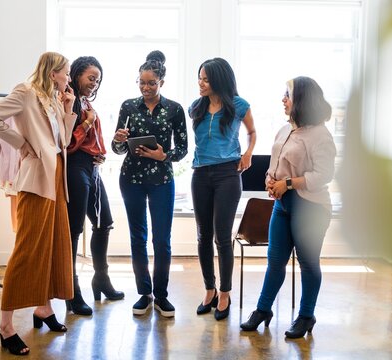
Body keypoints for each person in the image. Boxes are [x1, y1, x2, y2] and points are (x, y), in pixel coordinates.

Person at [0, 52, 76, 355]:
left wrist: (68, 108)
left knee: (51, 247)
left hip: (56, 181)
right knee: (27, 250)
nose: (69, 78)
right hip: (35, 183)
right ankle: (6, 326)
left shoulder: (52, 99)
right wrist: (22, 144)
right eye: (66, 73)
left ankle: (43, 309)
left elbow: (64, 142)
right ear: (52, 73)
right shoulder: (24, 93)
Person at [240, 76, 336, 338]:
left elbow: (324, 175)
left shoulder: (320, 135)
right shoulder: (285, 129)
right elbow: (276, 162)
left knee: (307, 263)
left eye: (288, 95)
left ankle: (306, 316)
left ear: (301, 100)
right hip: (283, 205)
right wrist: (270, 179)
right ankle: (263, 310)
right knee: (275, 262)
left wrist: (289, 183)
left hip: (311, 207)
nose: (283, 99)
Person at [112, 50, 188, 317]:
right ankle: (144, 294)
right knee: (138, 238)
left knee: (162, 241)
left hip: (162, 180)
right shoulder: (128, 106)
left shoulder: (175, 109)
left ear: (161, 83)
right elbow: (116, 148)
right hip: (130, 179)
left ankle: (162, 295)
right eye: (142, 83)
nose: (146, 88)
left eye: (151, 83)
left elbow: (183, 149)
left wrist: (163, 155)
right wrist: (120, 138)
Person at [189, 57, 256, 321]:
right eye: (200, 77)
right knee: (203, 236)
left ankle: (225, 293)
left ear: (219, 79)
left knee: (222, 236)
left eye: (206, 78)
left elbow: (252, 132)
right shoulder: (196, 107)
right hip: (200, 174)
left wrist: (249, 153)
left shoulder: (239, 106)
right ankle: (210, 289)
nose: (201, 83)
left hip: (228, 174)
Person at [65, 56, 124, 316]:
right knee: (74, 230)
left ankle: (101, 279)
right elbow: (67, 143)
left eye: (97, 80)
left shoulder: (86, 102)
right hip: (75, 168)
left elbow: (90, 139)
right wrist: (87, 122)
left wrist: (99, 153)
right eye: (91, 78)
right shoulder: (69, 100)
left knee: (104, 223)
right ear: (76, 74)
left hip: (92, 168)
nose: (94, 83)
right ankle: (72, 292)